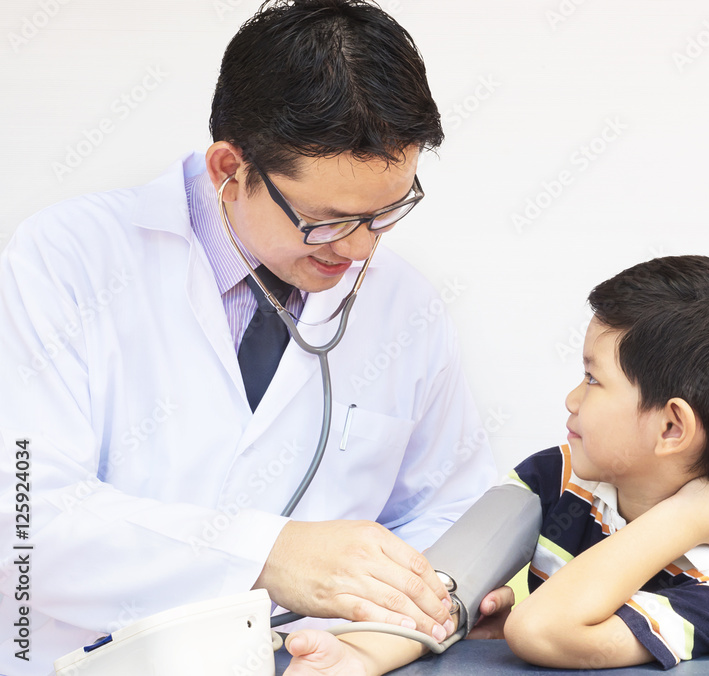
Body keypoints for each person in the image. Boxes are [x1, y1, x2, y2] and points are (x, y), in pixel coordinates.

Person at [0, 1, 506, 673]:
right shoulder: (66, 260)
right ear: (228, 169)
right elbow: (30, 521)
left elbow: (449, 512)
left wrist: (382, 635)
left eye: (386, 213)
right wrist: (267, 557)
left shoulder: (405, 304)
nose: (359, 249)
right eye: (327, 220)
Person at [278, 255, 709, 674]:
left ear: (671, 427)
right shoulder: (559, 476)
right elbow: (439, 593)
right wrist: (359, 658)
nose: (573, 399)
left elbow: (542, 630)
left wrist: (683, 519)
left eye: (594, 379)